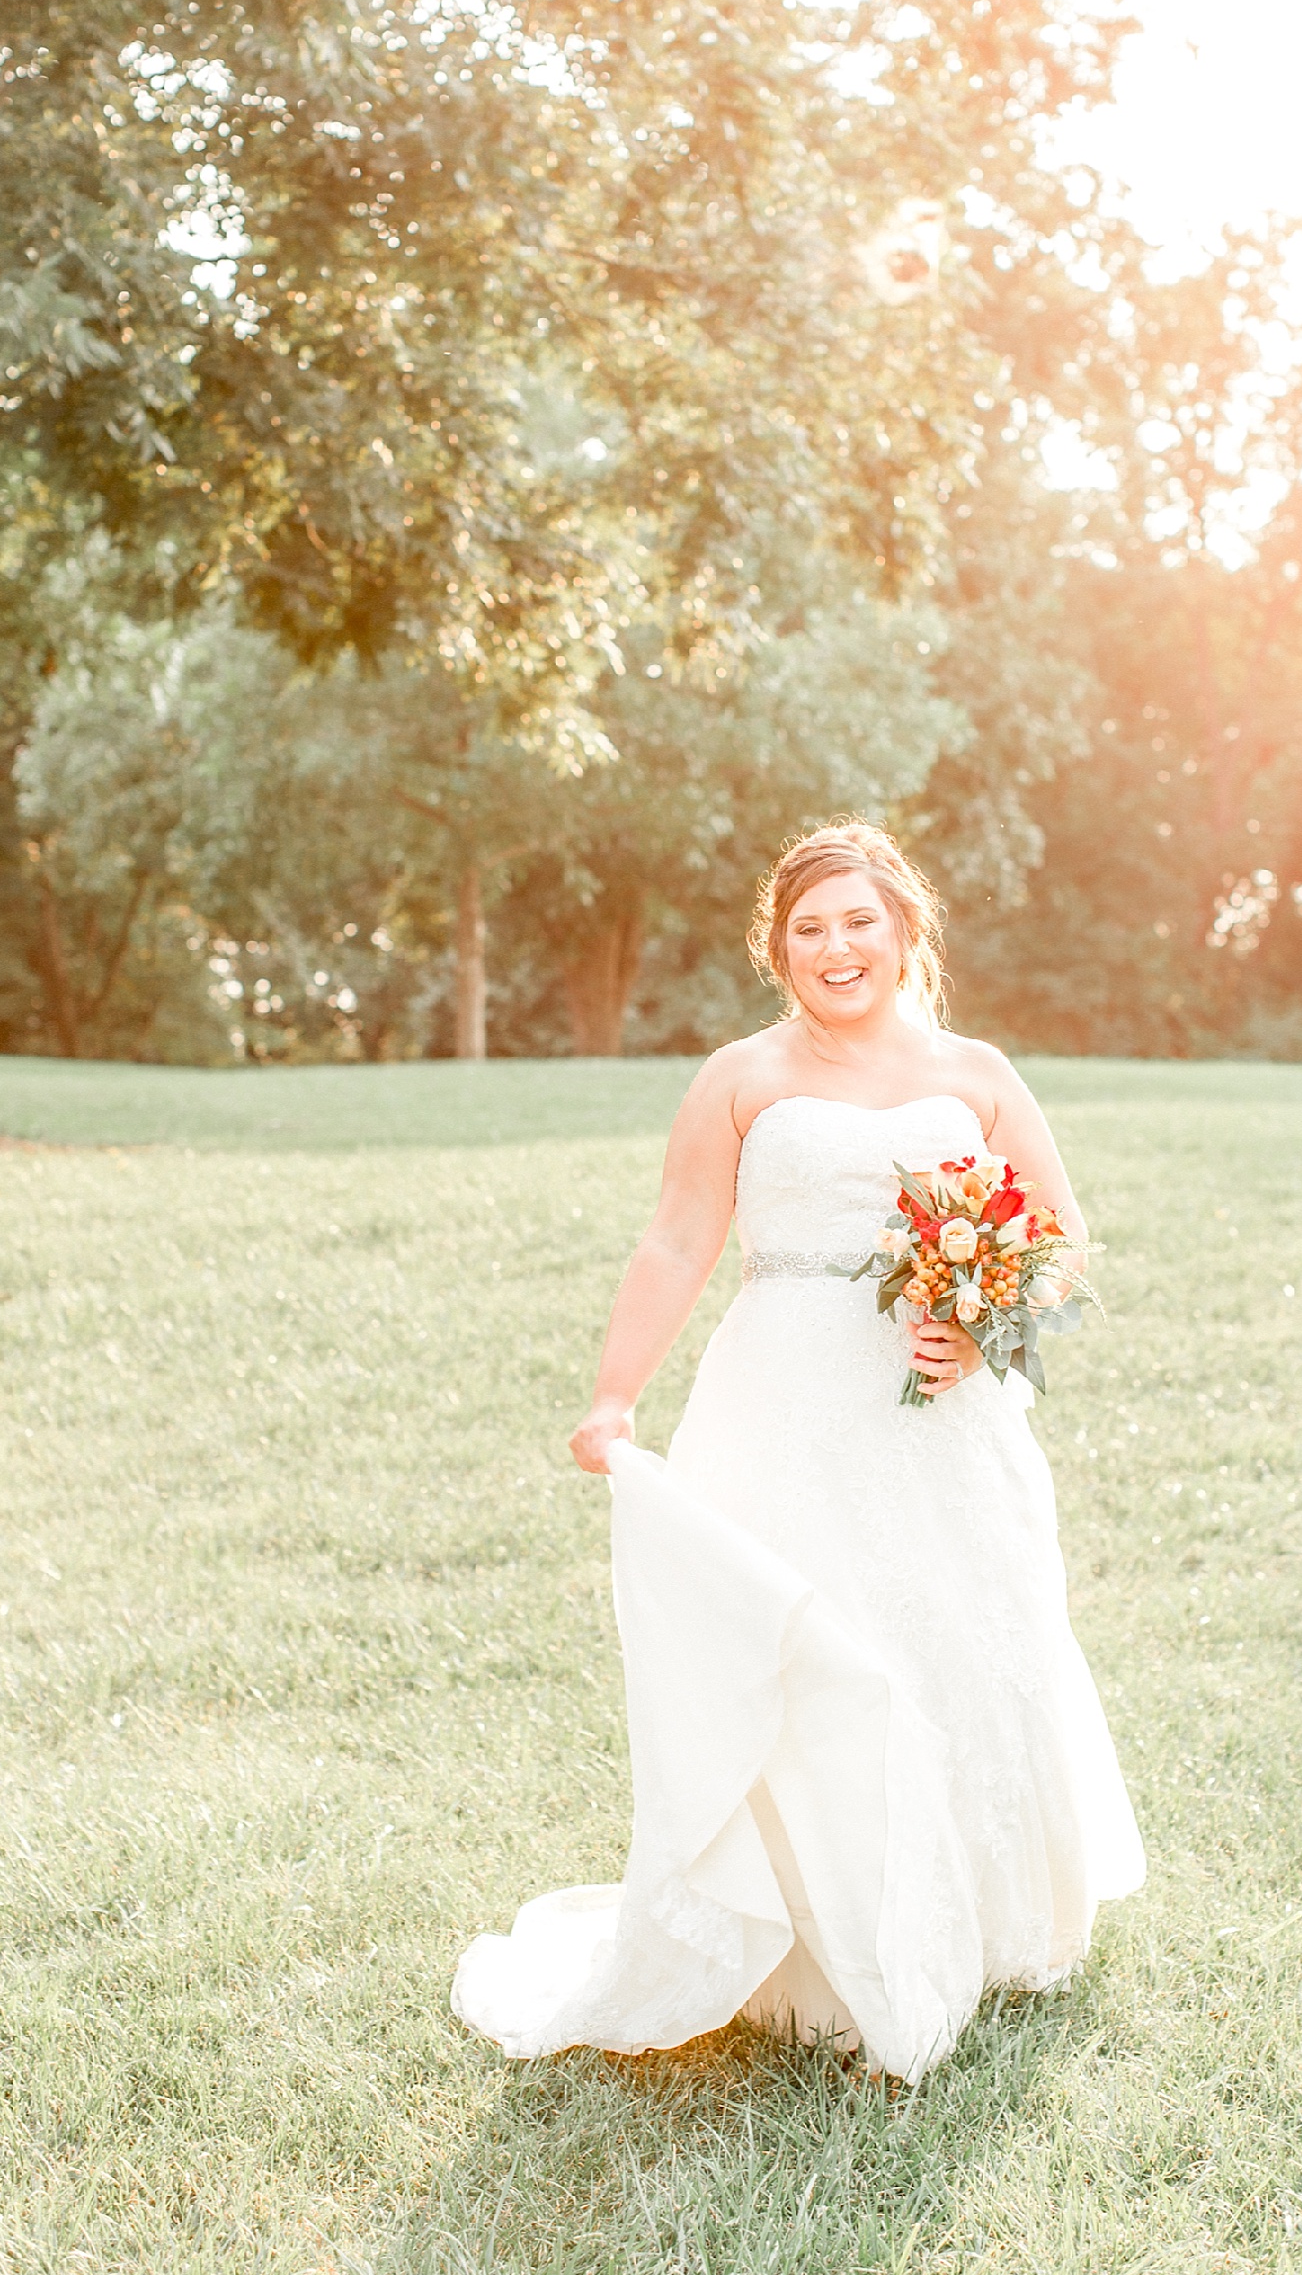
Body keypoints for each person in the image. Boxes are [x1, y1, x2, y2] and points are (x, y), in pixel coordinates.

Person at [453, 823, 1144, 2083]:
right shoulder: (740, 1076)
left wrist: (982, 1332)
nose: (837, 947)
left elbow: (1062, 1234)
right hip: (776, 1401)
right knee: (802, 1657)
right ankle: (808, 1956)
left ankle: (976, 1928)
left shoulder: (978, 1073)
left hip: (939, 1416)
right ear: (780, 948)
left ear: (904, 930)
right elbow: (676, 1238)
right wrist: (613, 1397)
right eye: (808, 927)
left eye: (859, 922)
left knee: (958, 1641)